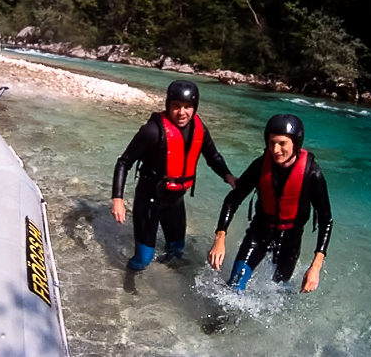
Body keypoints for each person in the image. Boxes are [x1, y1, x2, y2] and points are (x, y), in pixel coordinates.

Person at [112, 80, 238, 270]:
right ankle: (121, 279)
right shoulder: (152, 131)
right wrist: (118, 199)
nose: (182, 112)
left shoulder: (199, 129)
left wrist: (228, 176)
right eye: (176, 106)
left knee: (176, 254)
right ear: (168, 105)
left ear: (194, 107)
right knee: (143, 260)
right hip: (149, 202)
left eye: (187, 107)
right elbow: (124, 162)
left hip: (175, 201)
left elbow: (213, 156)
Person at [207, 114, 333, 293]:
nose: (275, 149)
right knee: (235, 285)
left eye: (282, 143)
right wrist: (220, 239)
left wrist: (316, 267)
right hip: (259, 232)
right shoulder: (260, 165)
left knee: (278, 292)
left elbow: (326, 221)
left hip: (290, 238)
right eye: (272, 142)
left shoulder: (312, 175)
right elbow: (231, 201)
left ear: (295, 143)